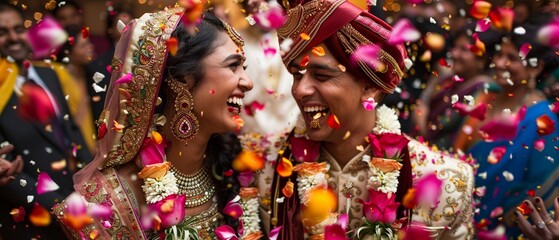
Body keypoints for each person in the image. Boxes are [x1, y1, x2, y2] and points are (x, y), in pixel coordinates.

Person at [258, 0, 475, 239]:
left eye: (321, 75)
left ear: (370, 87)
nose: (300, 90)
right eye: (297, 75)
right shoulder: (265, 165)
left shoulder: (446, 182)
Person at [52, 6, 260, 239]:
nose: (248, 82)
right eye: (233, 66)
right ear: (183, 78)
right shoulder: (101, 208)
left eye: (244, 67)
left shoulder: (232, 167)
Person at [455, 24, 559, 237]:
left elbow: (538, 189)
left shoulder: (543, 120)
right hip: (452, 212)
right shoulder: (484, 98)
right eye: (499, 55)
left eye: (512, 57)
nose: (501, 63)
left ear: (535, 67)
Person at [0, 1, 92, 239]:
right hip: (33, 221)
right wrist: (64, 205)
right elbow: (8, 173)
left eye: (18, 29)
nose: (13, 37)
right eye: (2, 32)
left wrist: (94, 185)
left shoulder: (48, 74)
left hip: (80, 204)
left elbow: (71, 131)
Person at [413, 24, 493, 150]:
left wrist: (421, 121)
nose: (454, 53)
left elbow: (440, 126)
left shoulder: (483, 91)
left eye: (464, 50)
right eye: (454, 47)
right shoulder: (449, 81)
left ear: (481, 60)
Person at [56, 29, 97, 154]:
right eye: (83, 45)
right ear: (69, 52)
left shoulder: (89, 73)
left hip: (93, 148)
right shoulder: (60, 76)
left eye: (89, 43)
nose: (90, 47)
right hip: (75, 149)